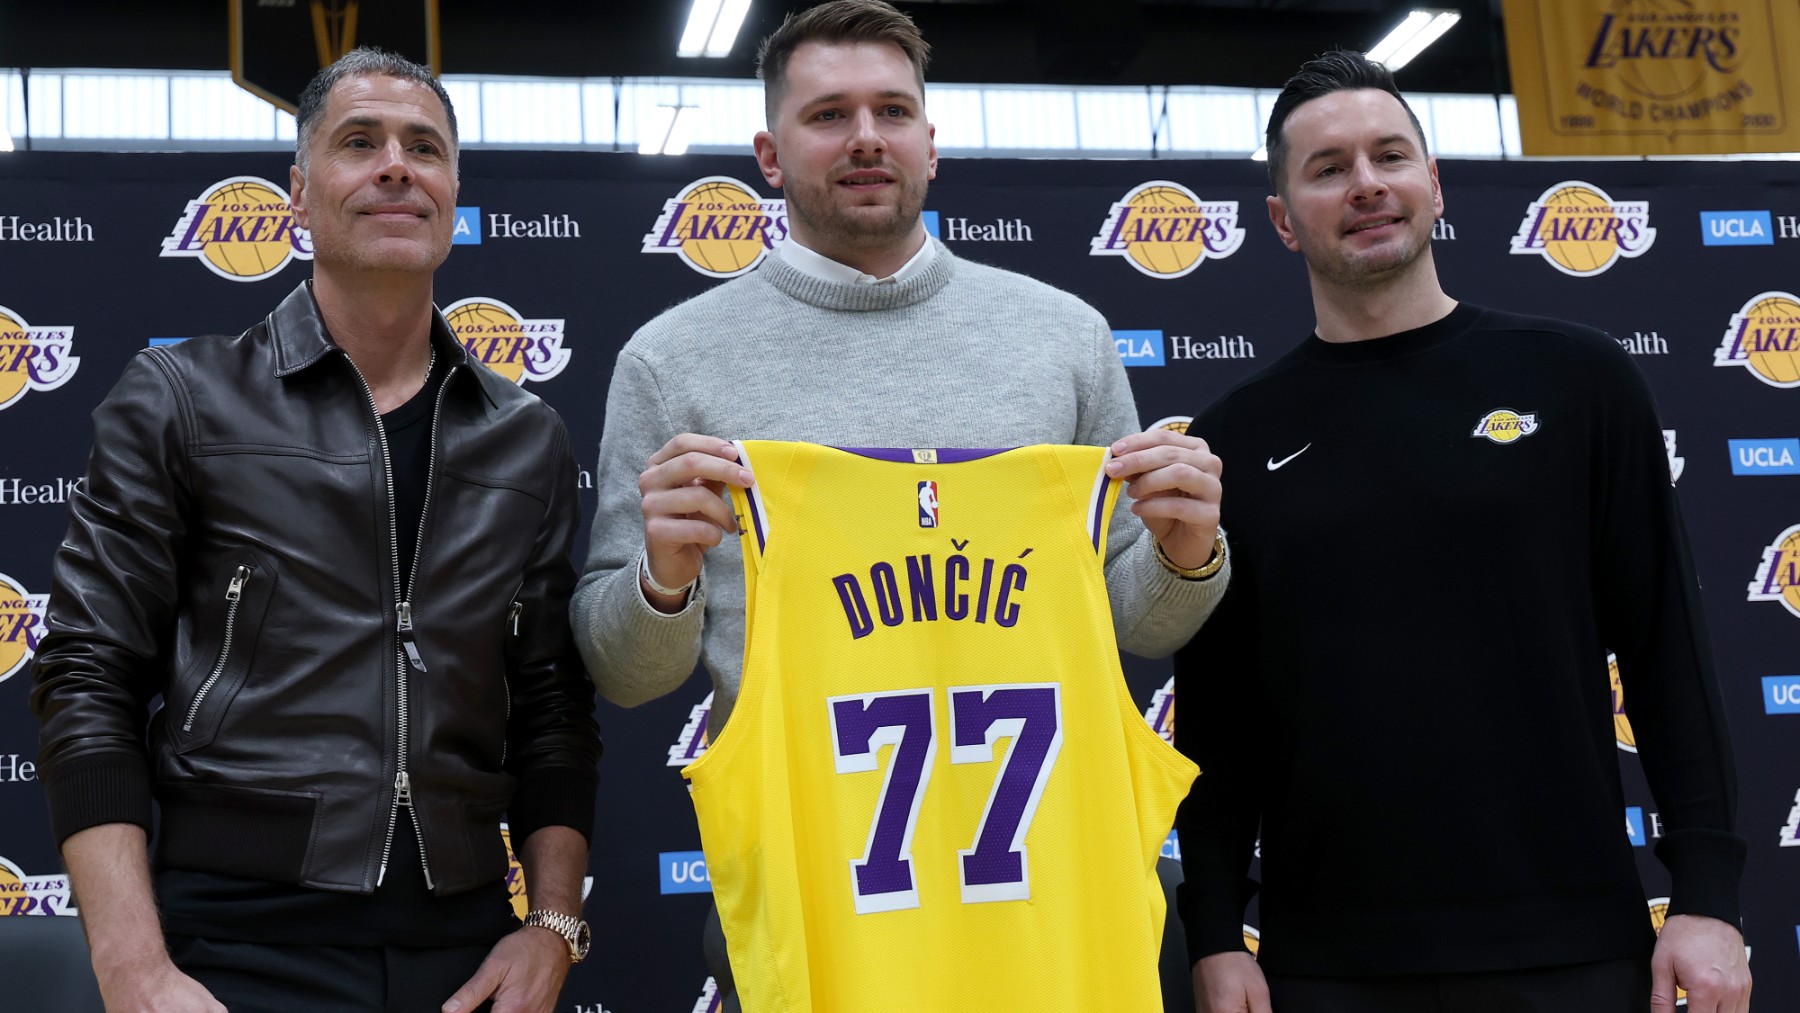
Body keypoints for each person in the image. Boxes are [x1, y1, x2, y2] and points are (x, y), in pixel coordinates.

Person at [572, 0, 1226, 1003]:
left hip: (1052, 931)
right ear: (770, 153)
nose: (867, 136)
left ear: (933, 142)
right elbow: (625, 673)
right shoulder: (672, 362)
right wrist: (661, 581)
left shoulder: (1065, 336)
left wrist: (1186, 556)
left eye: (893, 110)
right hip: (819, 928)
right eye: (829, 114)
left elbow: (1139, 621)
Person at [1173, 51, 1749, 1013]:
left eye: (1389, 155)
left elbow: (1666, 657)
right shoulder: (1235, 437)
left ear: (1433, 184)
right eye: (1327, 168)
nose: (1366, 184)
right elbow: (1219, 719)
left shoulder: (1581, 382)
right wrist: (1216, 929)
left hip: (1574, 946)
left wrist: (1707, 900)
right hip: (1326, 965)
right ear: (1281, 219)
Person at [32, 48, 600, 1013]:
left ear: (453, 195)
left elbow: (551, 704)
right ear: (298, 194)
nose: (395, 164)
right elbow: (88, 676)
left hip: (462, 954)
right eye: (359, 142)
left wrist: (552, 926)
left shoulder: (526, 436)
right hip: (233, 946)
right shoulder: (182, 399)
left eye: (424, 147)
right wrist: (133, 967)